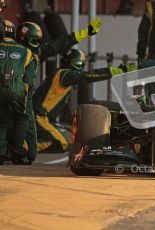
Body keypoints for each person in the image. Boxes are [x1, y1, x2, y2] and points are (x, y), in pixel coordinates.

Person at [8, 18, 103, 161]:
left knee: (17, 131)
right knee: (9, 125)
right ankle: (13, 151)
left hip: (21, 98)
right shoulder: (21, 52)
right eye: (33, 40)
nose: (35, 44)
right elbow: (56, 45)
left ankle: (14, 151)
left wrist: (85, 33)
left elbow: (58, 44)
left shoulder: (35, 53)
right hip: (14, 96)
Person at [32, 49, 136, 153]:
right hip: (39, 117)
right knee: (62, 144)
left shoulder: (60, 74)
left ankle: (28, 141)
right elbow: (85, 76)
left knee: (67, 140)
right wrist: (111, 72)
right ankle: (26, 147)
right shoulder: (65, 75)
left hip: (42, 117)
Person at [0, 21, 36, 165]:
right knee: (21, 118)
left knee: (1, 120)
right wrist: (24, 90)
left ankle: (1, 154)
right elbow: (30, 79)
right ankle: (18, 154)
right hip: (18, 90)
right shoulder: (27, 52)